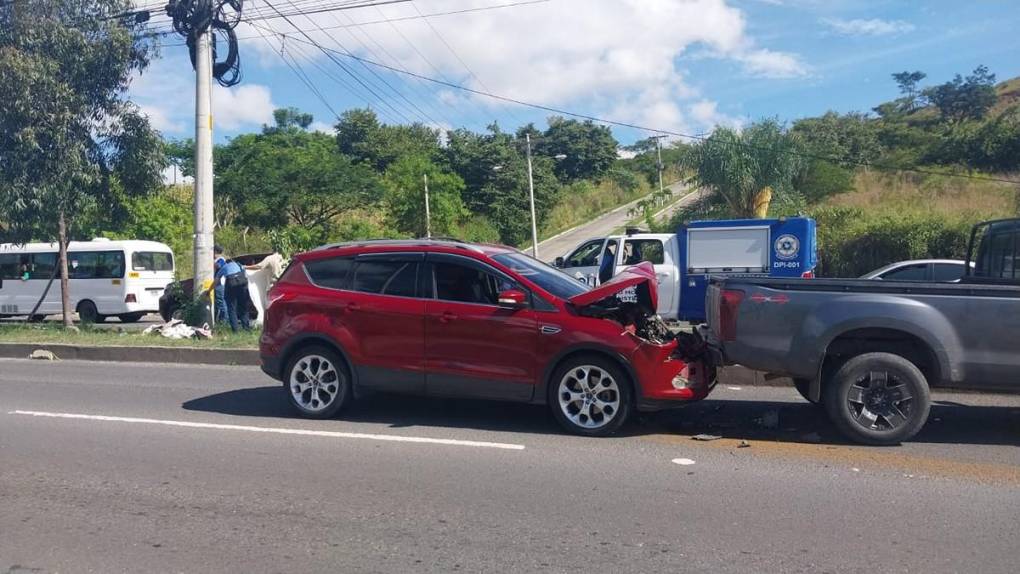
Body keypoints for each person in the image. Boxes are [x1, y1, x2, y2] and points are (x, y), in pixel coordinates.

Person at [211, 253, 250, 332]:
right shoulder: (238, 265)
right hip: (242, 284)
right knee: (243, 307)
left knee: (231, 308)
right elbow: (245, 271)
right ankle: (246, 328)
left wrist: (209, 290)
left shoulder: (224, 267)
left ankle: (235, 330)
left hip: (231, 284)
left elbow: (216, 281)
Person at [212, 245, 228, 323]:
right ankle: (217, 320)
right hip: (216, 284)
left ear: (215, 252)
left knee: (221, 302)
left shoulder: (221, 259)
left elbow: (218, 266)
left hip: (220, 284)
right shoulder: (216, 260)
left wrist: (210, 262)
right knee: (217, 303)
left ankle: (224, 321)